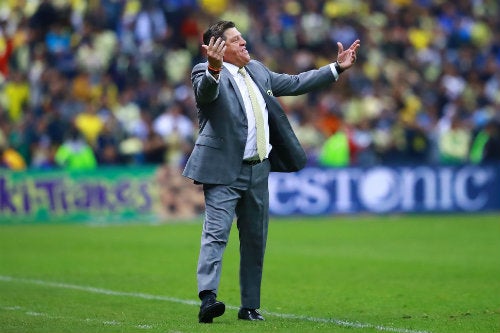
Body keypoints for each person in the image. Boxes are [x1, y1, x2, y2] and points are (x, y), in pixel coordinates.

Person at [182, 20, 360, 323]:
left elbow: (295, 83)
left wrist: (336, 68)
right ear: (220, 48)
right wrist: (213, 67)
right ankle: (208, 298)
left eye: (242, 38)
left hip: (258, 170)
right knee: (216, 235)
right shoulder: (206, 72)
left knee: (255, 239)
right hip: (224, 171)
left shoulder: (258, 70)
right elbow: (206, 95)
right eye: (236, 40)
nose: (244, 43)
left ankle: (249, 306)